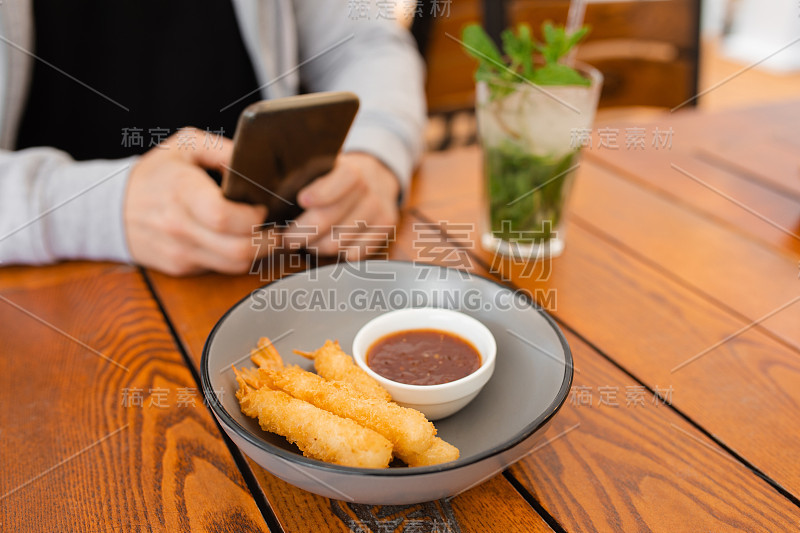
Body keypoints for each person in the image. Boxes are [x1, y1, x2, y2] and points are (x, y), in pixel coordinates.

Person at [0, 0, 426, 275]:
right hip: (54, 286)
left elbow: (368, 43)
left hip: (283, 262)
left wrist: (375, 157)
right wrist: (101, 208)